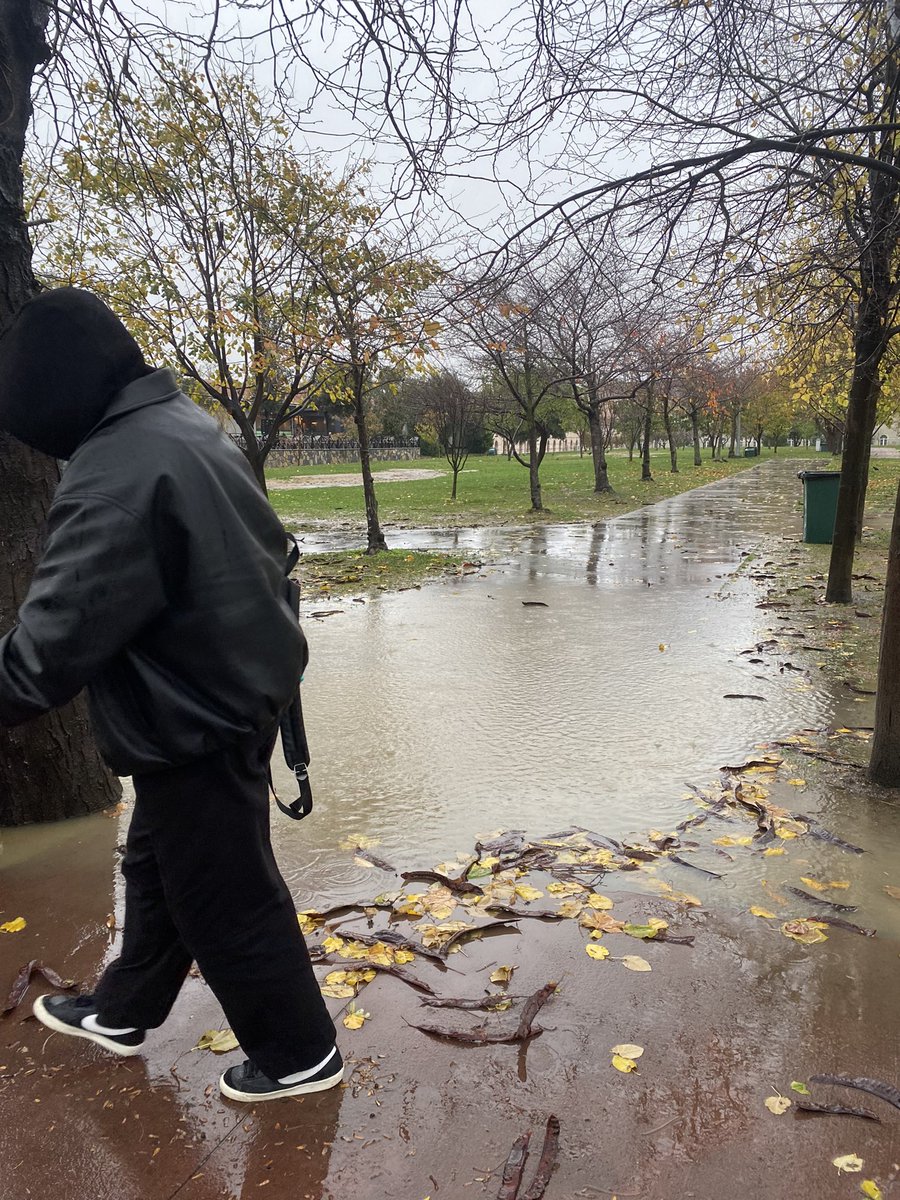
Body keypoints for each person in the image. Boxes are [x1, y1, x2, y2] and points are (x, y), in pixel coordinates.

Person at [0, 288, 341, 1103]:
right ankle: (121, 1011)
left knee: (226, 898)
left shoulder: (115, 475)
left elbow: (39, 663)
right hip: (233, 694)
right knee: (160, 868)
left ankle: (301, 1057)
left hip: (194, 717)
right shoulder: (179, 423)